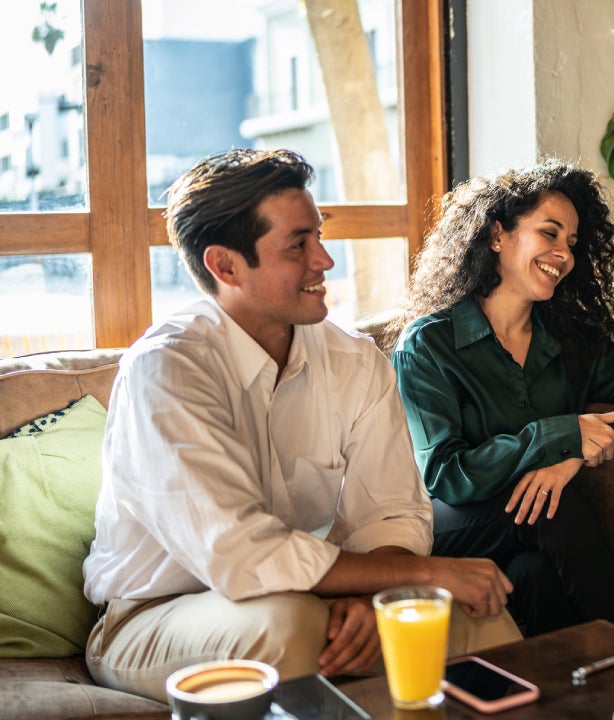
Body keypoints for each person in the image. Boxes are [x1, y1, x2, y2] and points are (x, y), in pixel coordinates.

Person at [82, 148, 521, 702]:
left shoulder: (357, 362)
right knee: (291, 628)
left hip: (301, 593)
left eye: (319, 235)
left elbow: (391, 514)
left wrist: (376, 599)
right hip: (150, 618)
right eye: (298, 245)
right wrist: (435, 571)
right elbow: (240, 552)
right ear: (225, 266)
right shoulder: (167, 369)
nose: (324, 259)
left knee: (475, 618)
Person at [386, 159, 614, 640]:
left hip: (533, 531)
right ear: (498, 235)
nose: (563, 253)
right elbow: (446, 475)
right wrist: (561, 434)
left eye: (572, 243)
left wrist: (571, 459)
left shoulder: (571, 337)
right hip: (450, 523)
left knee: (535, 574)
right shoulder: (428, 344)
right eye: (549, 233)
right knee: (554, 509)